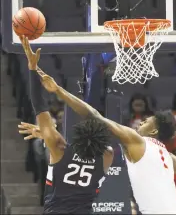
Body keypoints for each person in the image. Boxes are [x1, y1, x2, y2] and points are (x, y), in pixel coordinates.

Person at [20, 35, 176, 214]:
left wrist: (48, 83)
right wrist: (48, 134)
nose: (140, 122)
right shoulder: (164, 156)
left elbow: (93, 116)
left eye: (146, 121)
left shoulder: (130, 143)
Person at [18, 36, 114, 214]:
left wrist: (32, 68)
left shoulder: (59, 147)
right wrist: (48, 134)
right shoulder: (107, 155)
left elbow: (40, 107)